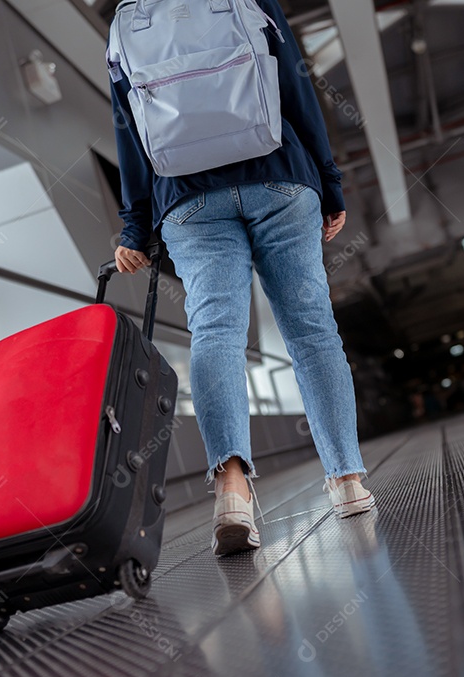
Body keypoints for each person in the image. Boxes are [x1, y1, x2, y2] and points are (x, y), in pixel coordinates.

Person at [107, 0, 374, 556]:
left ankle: (231, 490)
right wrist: (328, 181)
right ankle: (347, 479)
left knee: (215, 335)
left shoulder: (128, 20)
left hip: (186, 198)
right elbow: (295, 86)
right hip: (279, 175)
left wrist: (134, 227)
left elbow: (127, 127)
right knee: (312, 332)